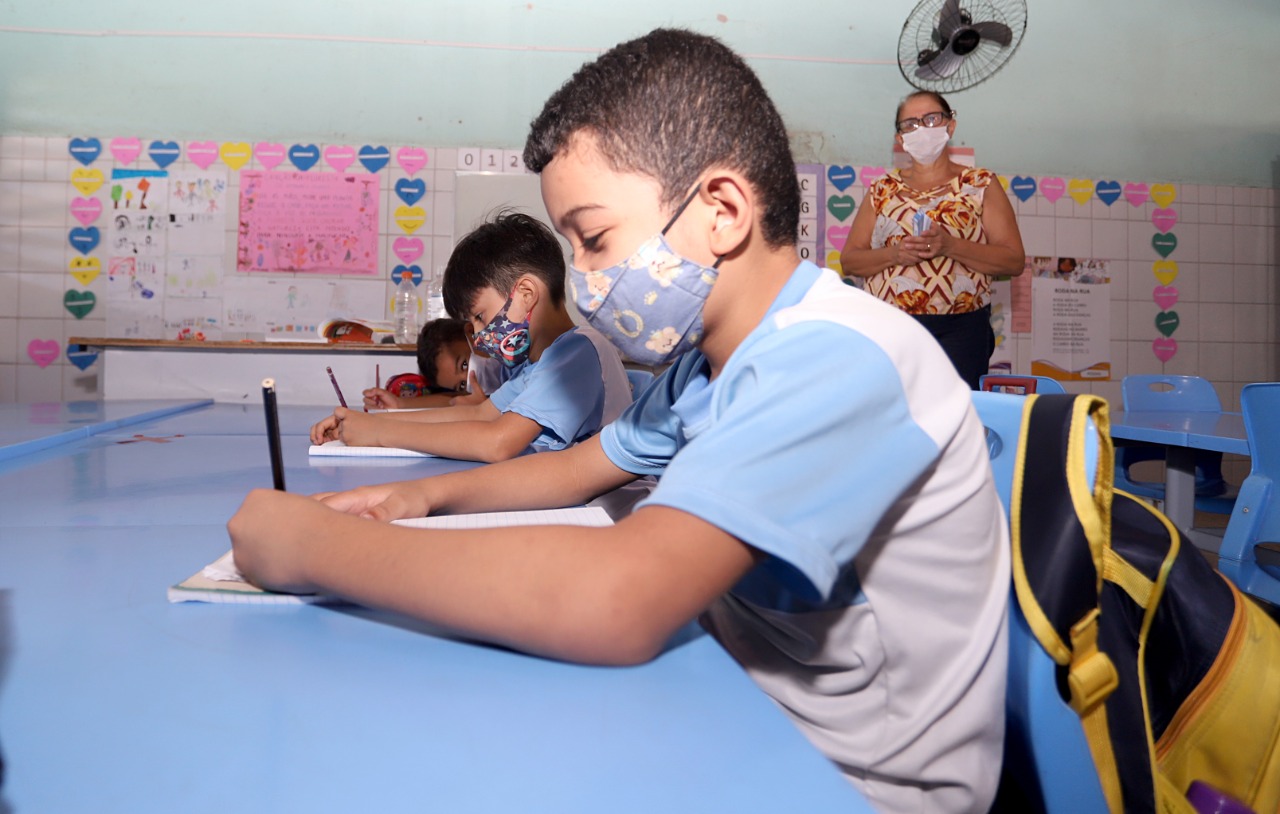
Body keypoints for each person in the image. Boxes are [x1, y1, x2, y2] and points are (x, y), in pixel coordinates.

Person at [233, 29, 1009, 813]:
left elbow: (618, 601)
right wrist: (418, 501)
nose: (590, 282)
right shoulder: (704, 365)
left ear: (723, 210)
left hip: (851, 776)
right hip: (736, 703)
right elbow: (578, 467)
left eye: (596, 239)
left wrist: (319, 549)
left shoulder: (837, 355)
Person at [310, 212, 632, 462]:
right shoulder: (535, 365)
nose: (477, 336)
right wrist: (377, 420)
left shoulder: (576, 352)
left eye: (479, 316)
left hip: (604, 513)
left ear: (526, 293)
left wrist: (380, 431)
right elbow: (479, 414)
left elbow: (498, 442)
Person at [840, 90, 1025, 390]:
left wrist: (950, 246)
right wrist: (896, 254)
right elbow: (849, 260)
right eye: (910, 124)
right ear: (899, 139)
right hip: (891, 328)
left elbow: (1013, 260)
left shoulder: (980, 185)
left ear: (950, 126)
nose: (921, 129)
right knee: (894, 423)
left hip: (962, 330)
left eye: (930, 119)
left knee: (954, 424)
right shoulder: (881, 190)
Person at [361, 318, 507, 410]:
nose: (470, 379)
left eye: (464, 365)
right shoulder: (494, 394)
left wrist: (484, 410)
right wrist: (399, 404)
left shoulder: (522, 358)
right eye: (462, 385)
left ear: (471, 332)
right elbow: (452, 400)